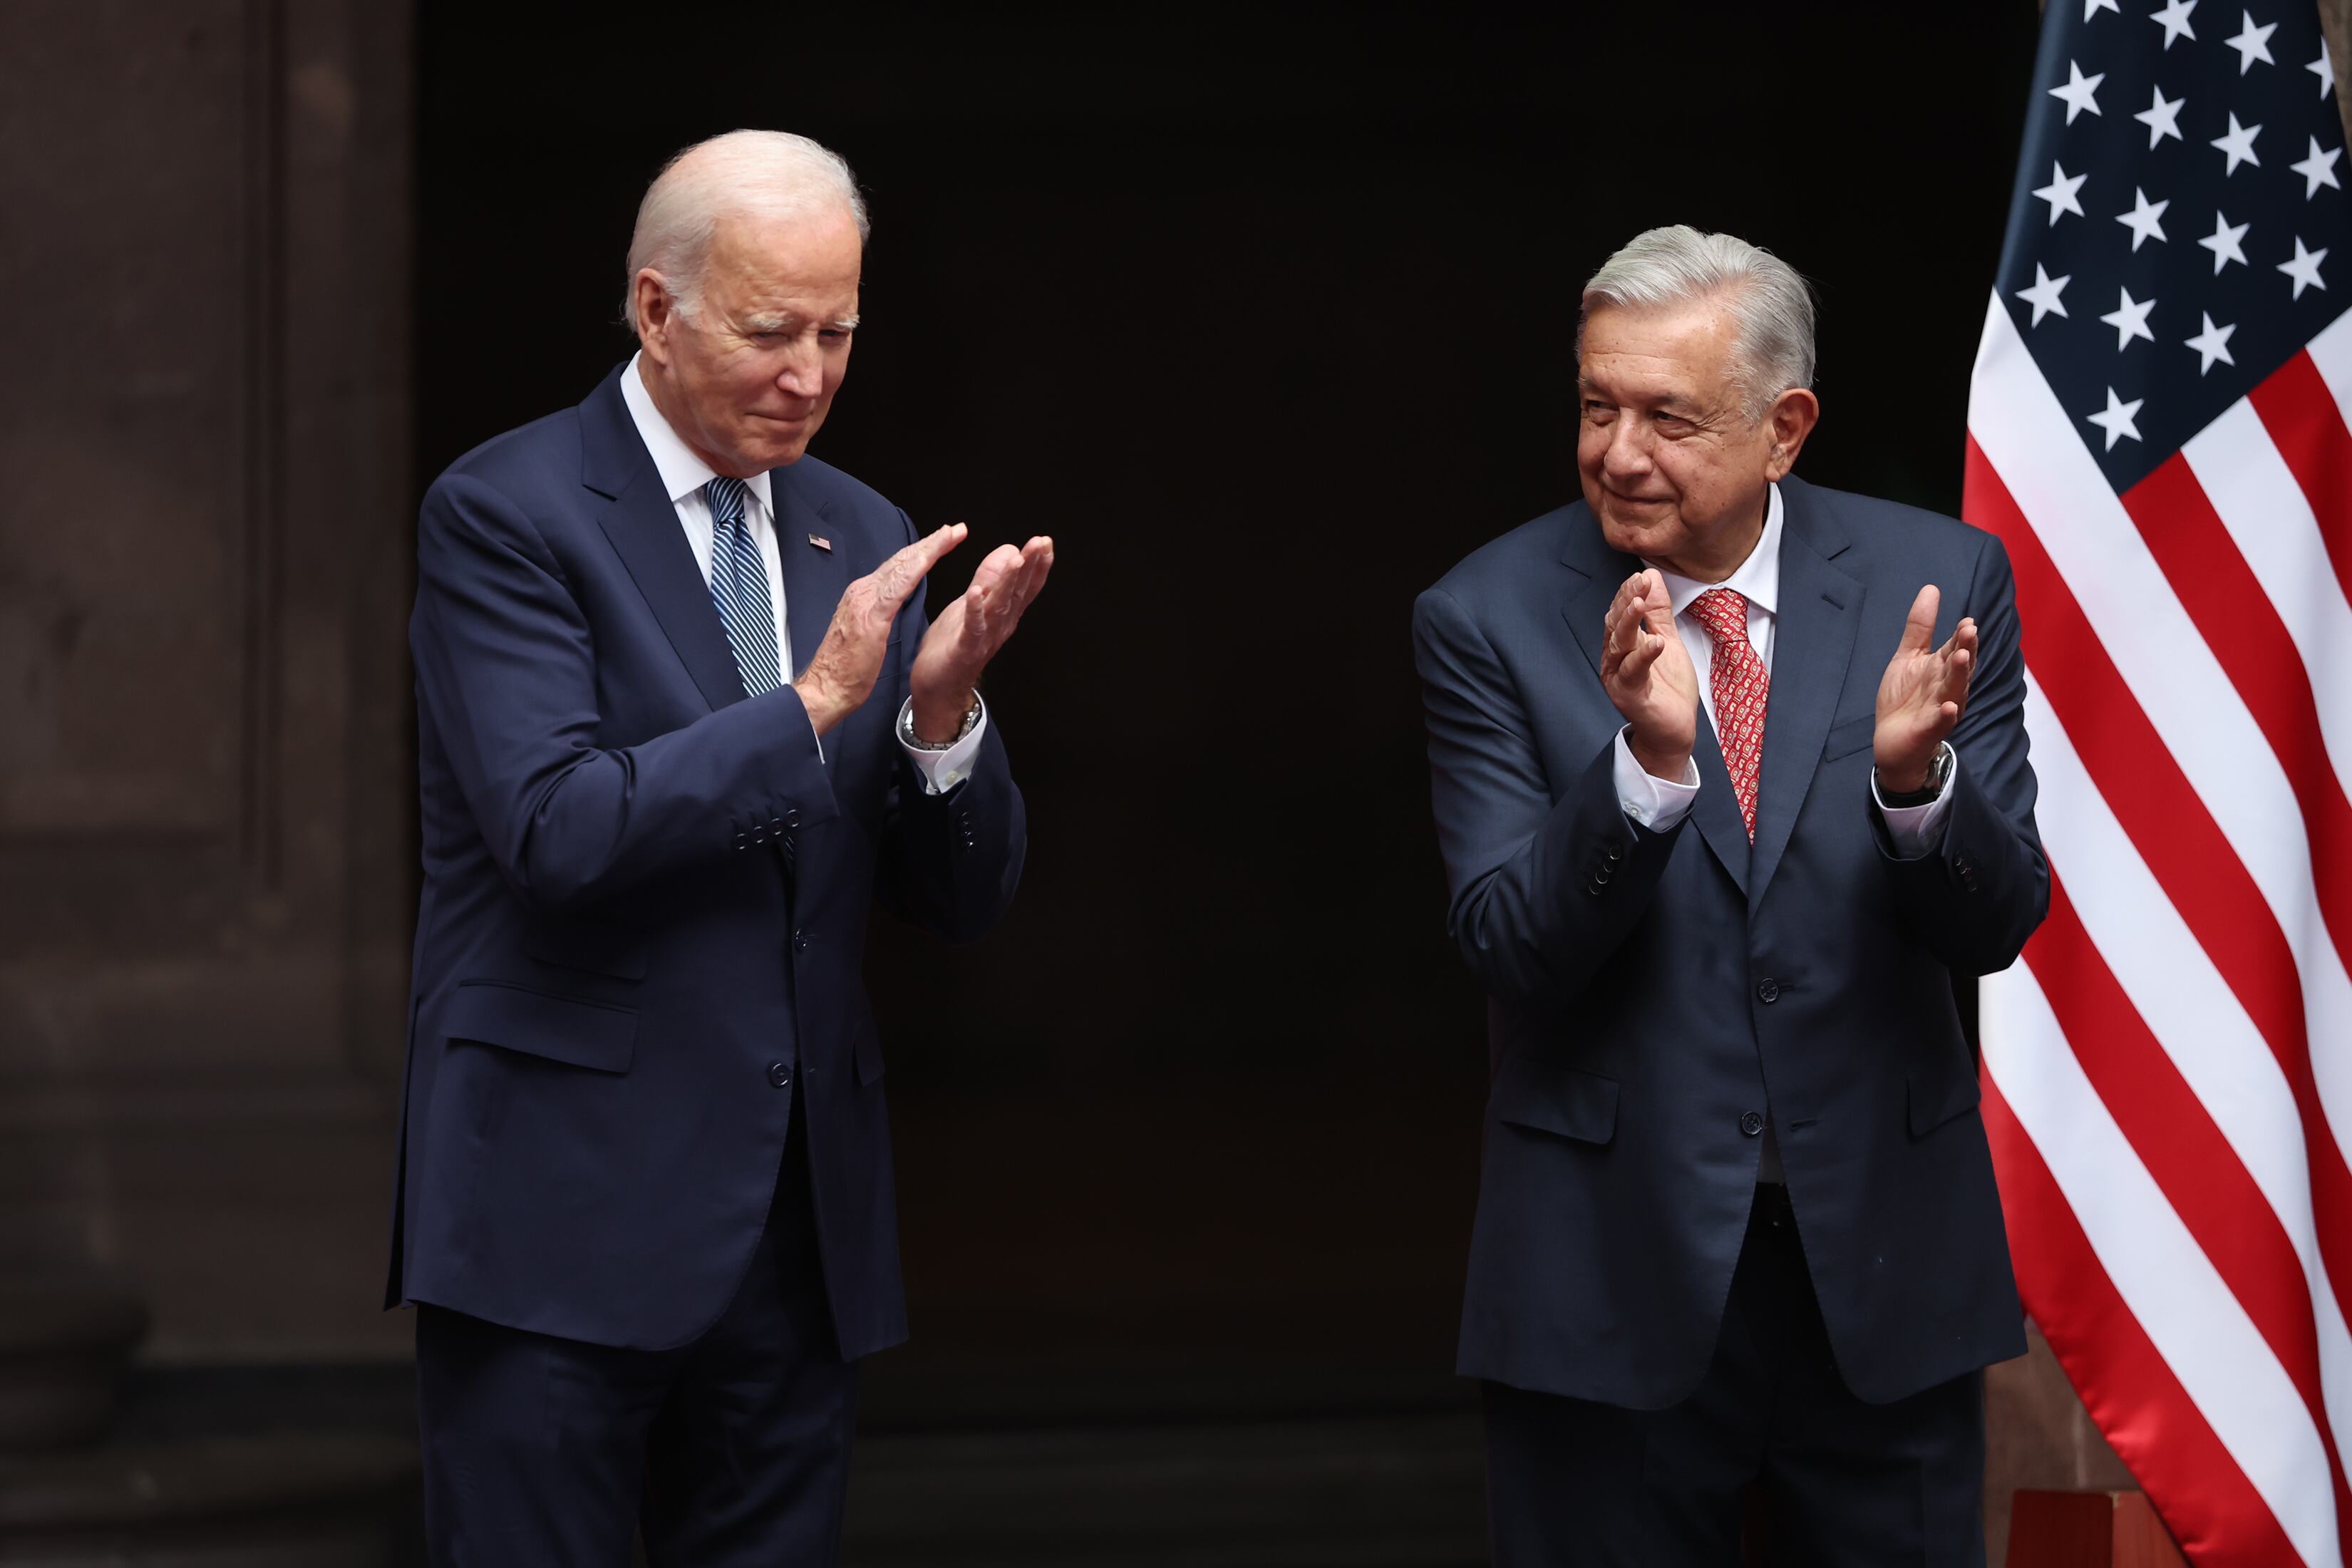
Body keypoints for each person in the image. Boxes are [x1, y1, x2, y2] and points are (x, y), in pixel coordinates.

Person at [383, 129, 1052, 1564]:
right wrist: (815, 704)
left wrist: (944, 717)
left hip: (794, 1237)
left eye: (839, 331)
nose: (809, 371)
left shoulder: (857, 529)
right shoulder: (508, 513)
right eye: (770, 330)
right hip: (557, 1219)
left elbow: (964, 899)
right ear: (654, 307)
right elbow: (559, 830)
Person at [1413, 225, 2047, 1565]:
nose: (1620, 452)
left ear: (1785, 427)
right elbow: (1510, 945)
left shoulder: (1932, 586)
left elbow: (1997, 926)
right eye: (1597, 406)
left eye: (1668, 417)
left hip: (1882, 1276)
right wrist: (1646, 766)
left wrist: (1917, 788)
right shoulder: (1485, 613)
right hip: (1609, 1278)